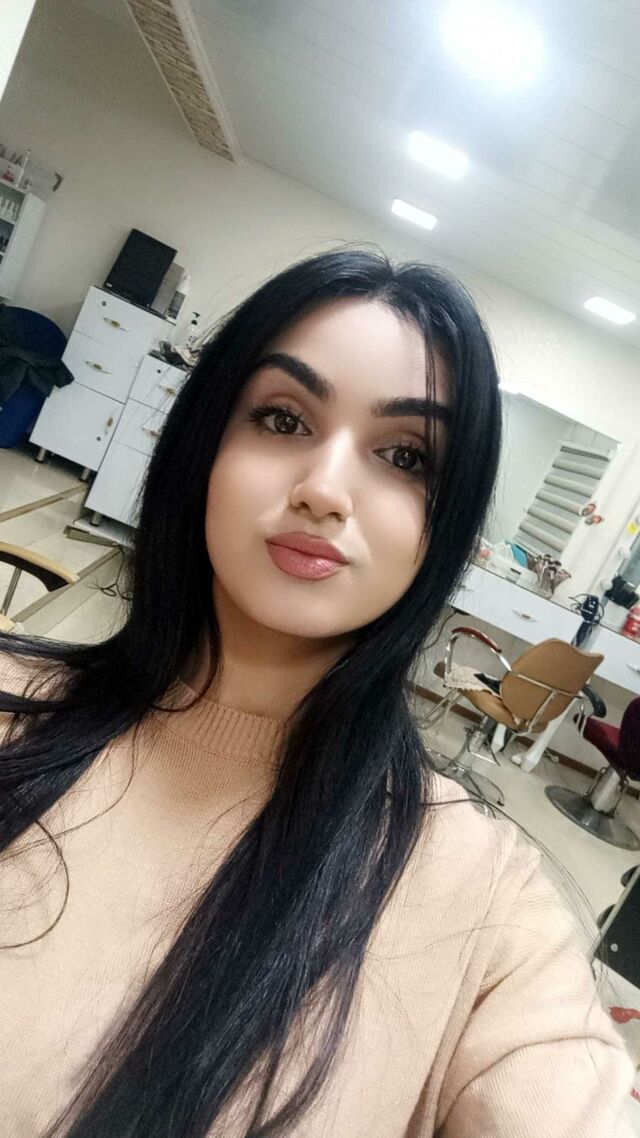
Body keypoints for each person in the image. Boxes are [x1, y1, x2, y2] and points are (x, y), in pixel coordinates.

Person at [0, 249, 633, 1138]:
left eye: (405, 455)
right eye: (283, 418)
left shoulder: (487, 903)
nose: (326, 491)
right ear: (204, 448)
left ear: (445, 526)